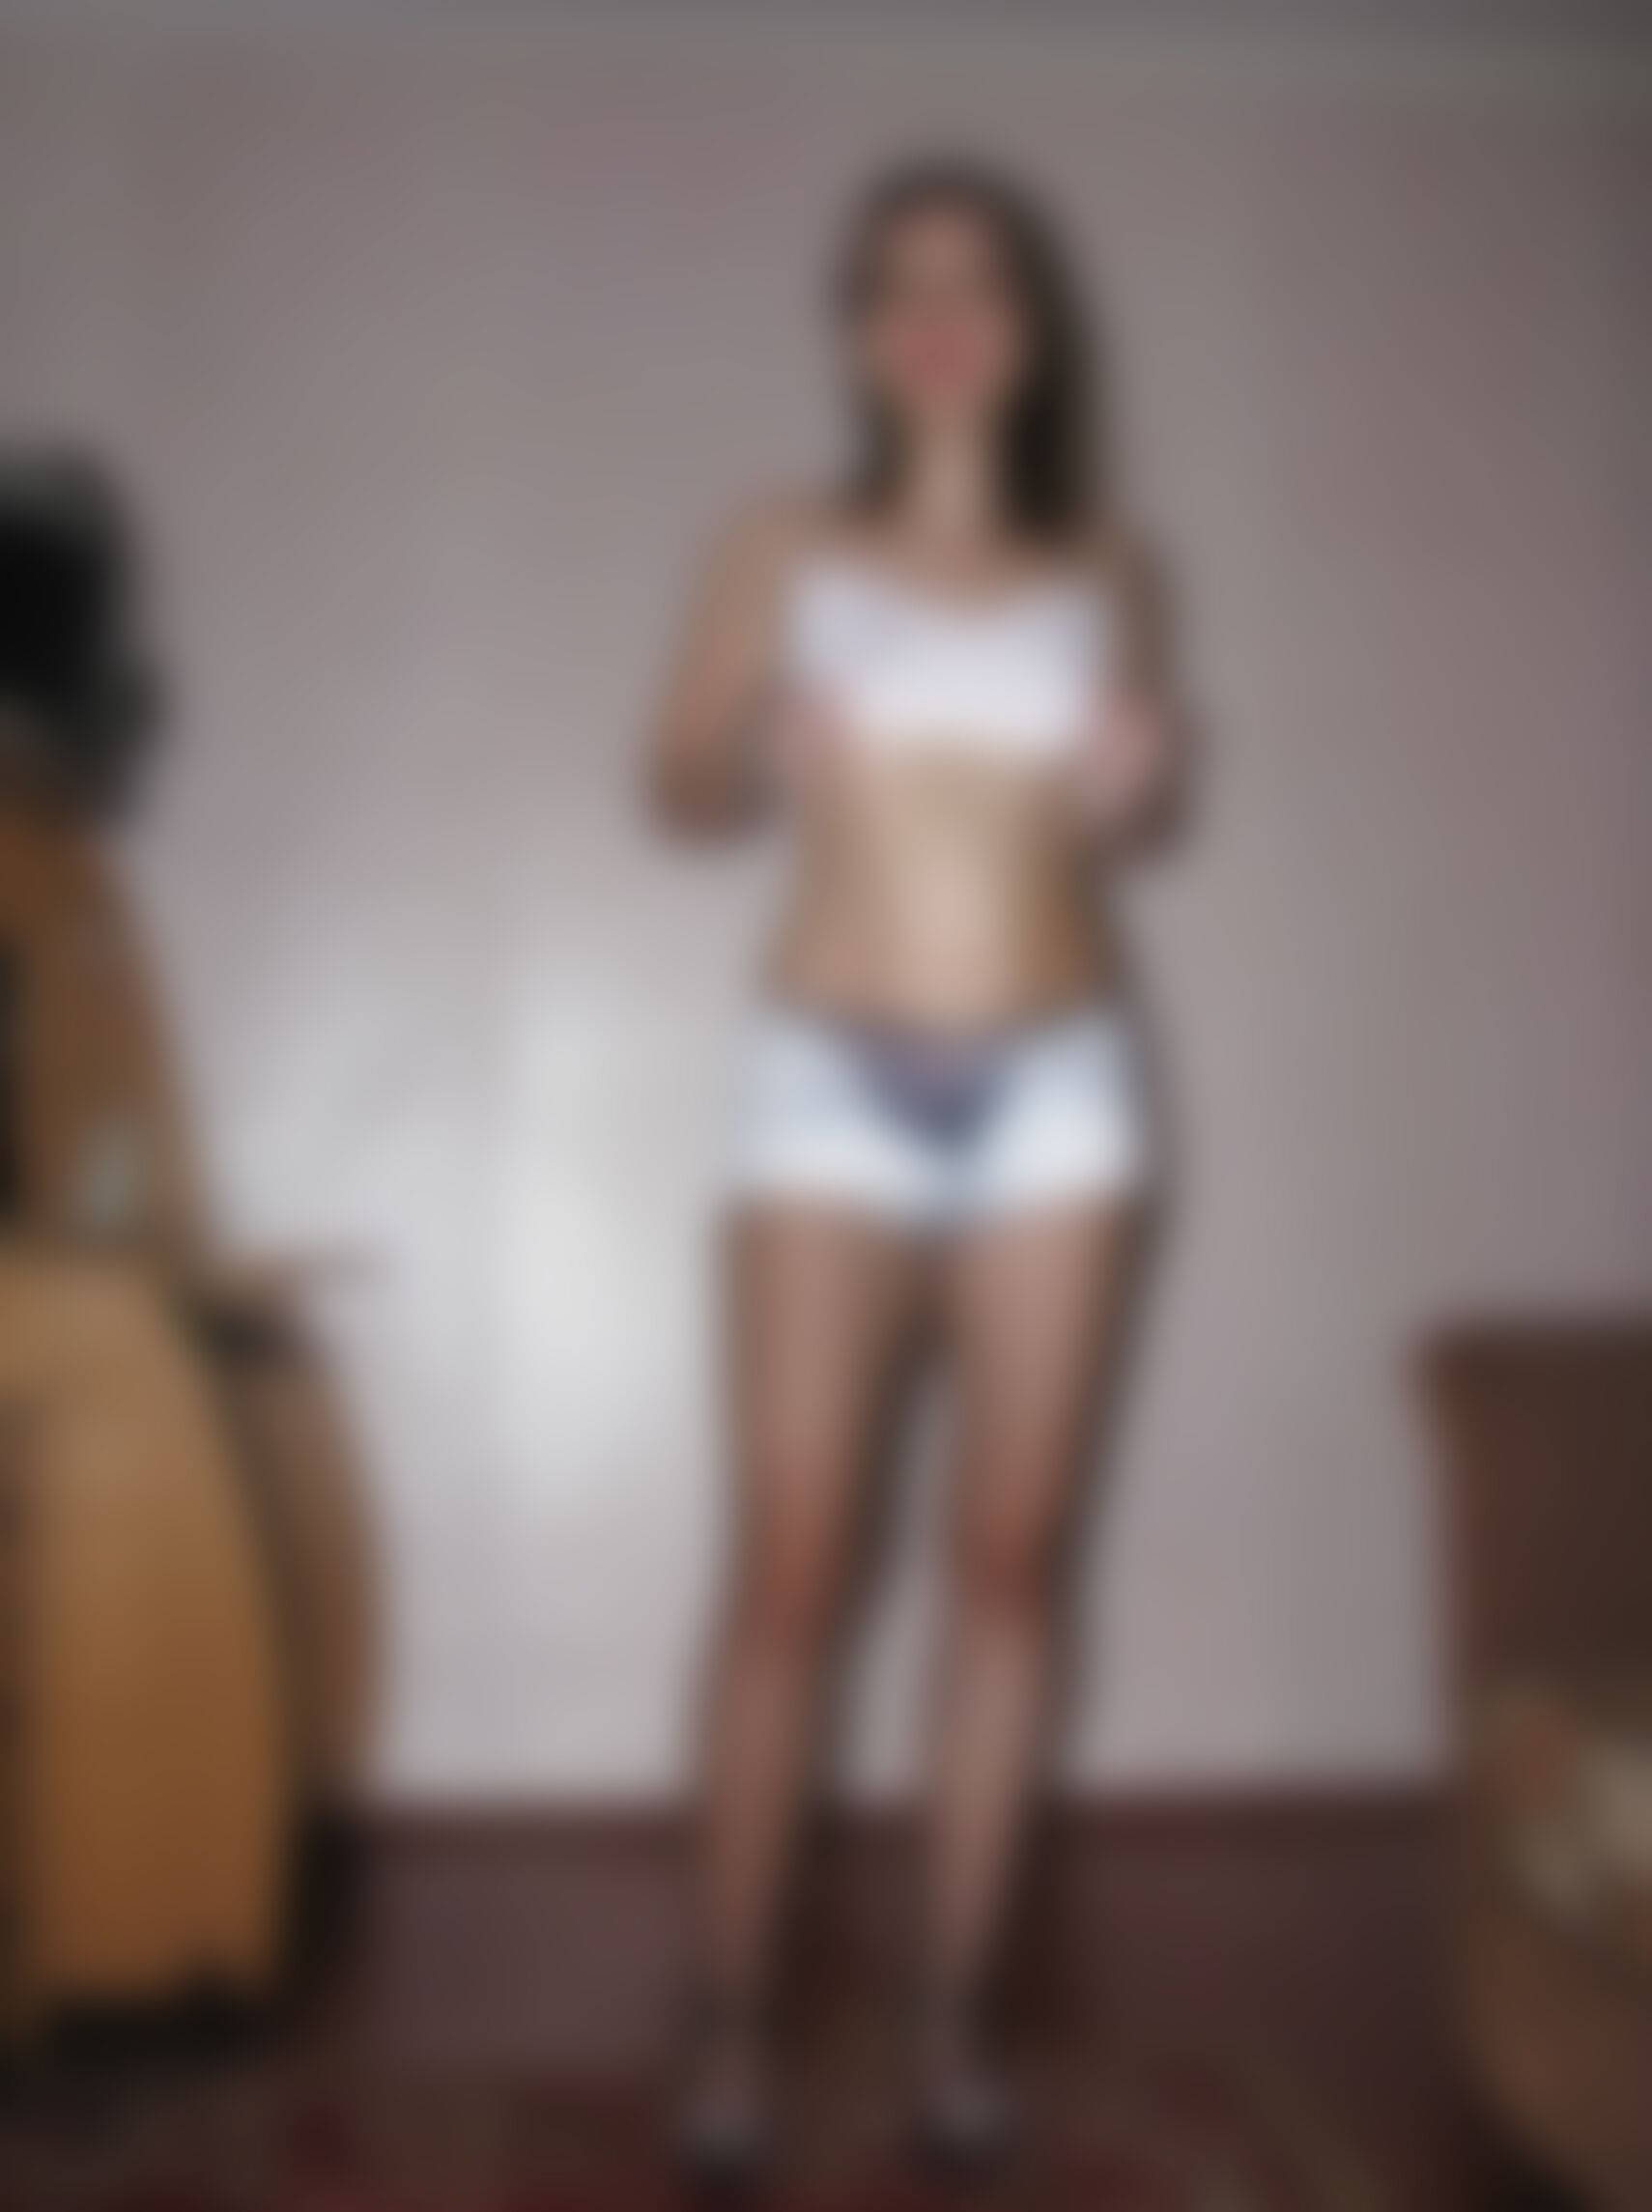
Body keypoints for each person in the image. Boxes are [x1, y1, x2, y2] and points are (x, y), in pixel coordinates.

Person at [647, 156, 1177, 2186]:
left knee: (1008, 1567)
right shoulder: (783, 535)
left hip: (1062, 1084)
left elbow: (1121, 818)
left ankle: (956, 2008)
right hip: (826, 1080)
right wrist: (744, 744)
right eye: (898, 281)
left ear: (1029, 331)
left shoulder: (1108, 560)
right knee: (792, 1569)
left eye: (978, 278)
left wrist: (1143, 783)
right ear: (862, 334)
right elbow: (670, 781)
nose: (940, 309)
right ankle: (730, 2012)